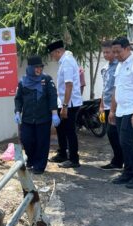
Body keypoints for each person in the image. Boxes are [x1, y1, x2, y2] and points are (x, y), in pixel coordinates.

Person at [109, 37, 133, 188]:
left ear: (127, 48)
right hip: (120, 110)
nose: (116, 55)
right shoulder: (119, 66)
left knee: (127, 142)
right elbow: (116, 89)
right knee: (122, 143)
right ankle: (128, 172)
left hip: (132, 109)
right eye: (114, 52)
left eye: (118, 51)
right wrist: (112, 110)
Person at [14, 55, 60, 174]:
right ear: (30, 68)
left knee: (42, 143)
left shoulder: (47, 80)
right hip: (28, 118)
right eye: (36, 68)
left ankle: (39, 166)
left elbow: (52, 97)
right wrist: (17, 112)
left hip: (43, 118)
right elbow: (18, 99)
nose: (39, 70)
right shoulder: (23, 82)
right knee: (27, 140)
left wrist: (54, 113)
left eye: (40, 67)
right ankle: (32, 160)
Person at [47, 40, 82, 168]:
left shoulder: (67, 61)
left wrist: (65, 106)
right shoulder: (64, 60)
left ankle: (74, 159)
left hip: (70, 104)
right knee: (60, 129)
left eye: (52, 55)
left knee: (69, 131)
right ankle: (62, 153)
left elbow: (69, 85)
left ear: (58, 51)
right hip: (64, 102)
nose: (52, 57)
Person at [99, 40, 124, 170]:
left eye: (108, 52)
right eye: (104, 52)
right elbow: (104, 89)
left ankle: (119, 161)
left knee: (115, 134)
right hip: (107, 105)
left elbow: (116, 88)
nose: (106, 55)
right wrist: (101, 105)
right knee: (111, 135)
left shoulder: (119, 66)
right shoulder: (105, 68)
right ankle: (117, 160)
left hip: (117, 106)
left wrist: (113, 108)